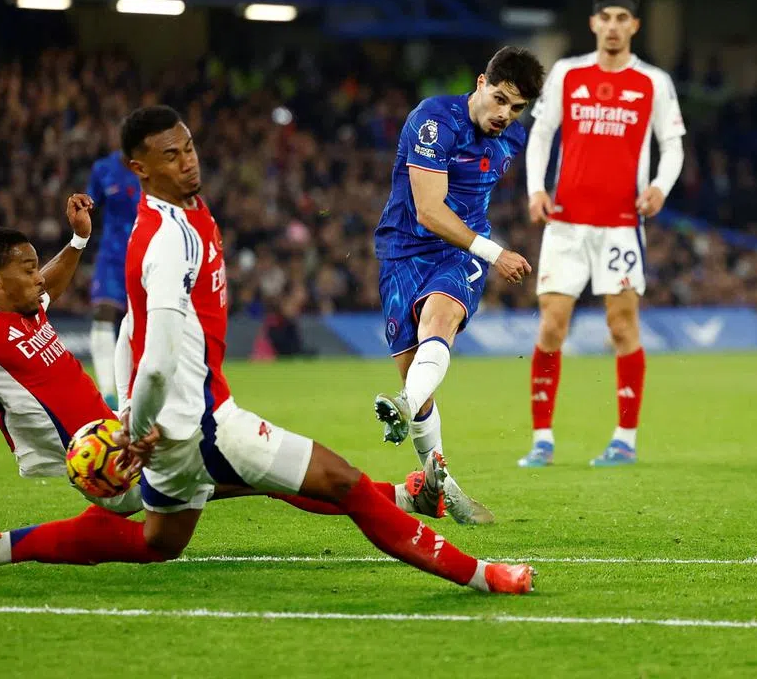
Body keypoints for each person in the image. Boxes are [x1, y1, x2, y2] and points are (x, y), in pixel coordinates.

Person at [0, 199, 446, 593]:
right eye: (27, 269)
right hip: (103, 462)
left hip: (121, 438)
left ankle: (400, 497)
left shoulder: (22, 305)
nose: (40, 278)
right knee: (248, 474)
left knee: (245, 479)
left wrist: (79, 241)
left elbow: (52, 284)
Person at [116, 104, 535, 595]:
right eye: (171, 156)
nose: (188, 161)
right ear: (139, 169)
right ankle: (482, 574)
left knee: (158, 540)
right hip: (207, 422)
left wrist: (128, 415)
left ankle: (3, 548)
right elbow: (158, 361)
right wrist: (136, 426)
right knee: (343, 483)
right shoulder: (168, 239)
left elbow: (132, 325)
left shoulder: (184, 213)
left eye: (188, 148)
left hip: (174, 431)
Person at [371, 46, 545, 524]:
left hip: (461, 253)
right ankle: (439, 486)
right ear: (480, 81)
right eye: (500, 99)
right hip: (403, 250)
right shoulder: (434, 121)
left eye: (516, 108)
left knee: (440, 316)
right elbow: (428, 210)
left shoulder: (512, 140)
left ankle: (403, 408)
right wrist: (497, 253)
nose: (504, 114)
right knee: (418, 378)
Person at [521, 0, 686, 468]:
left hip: (620, 225)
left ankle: (625, 440)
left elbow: (673, 144)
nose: (613, 25)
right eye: (606, 17)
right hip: (566, 223)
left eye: (622, 18)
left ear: (635, 26)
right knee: (552, 326)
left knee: (622, 325)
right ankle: (542, 440)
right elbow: (542, 134)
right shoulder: (568, 75)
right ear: (594, 24)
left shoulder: (653, 82)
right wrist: (536, 189)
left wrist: (659, 187)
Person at [86, 140, 141, 409]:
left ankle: (134, 391)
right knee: (103, 313)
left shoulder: (151, 167)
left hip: (145, 253)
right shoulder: (103, 169)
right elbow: (90, 205)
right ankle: (107, 394)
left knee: (139, 321)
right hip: (112, 255)